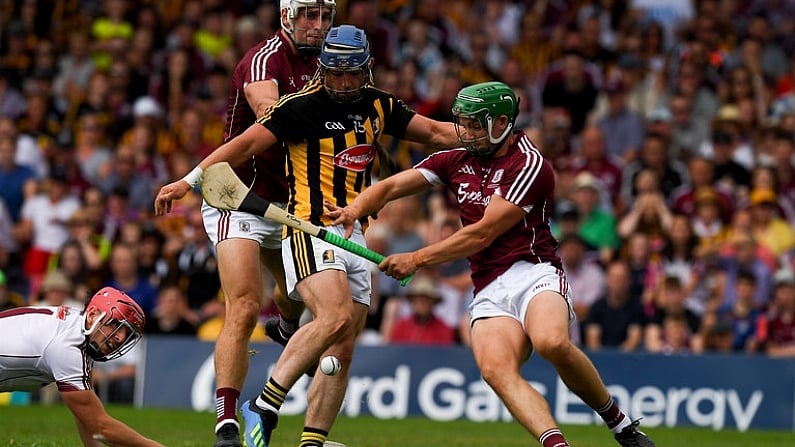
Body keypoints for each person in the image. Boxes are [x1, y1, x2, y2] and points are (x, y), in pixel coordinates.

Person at [154, 25, 459, 447]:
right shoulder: (300, 108)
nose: (344, 83)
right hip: (309, 229)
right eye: (336, 74)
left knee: (343, 348)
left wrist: (493, 143)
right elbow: (243, 146)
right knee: (330, 316)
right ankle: (262, 406)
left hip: (356, 234)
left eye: (352, 74)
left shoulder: (381, 106)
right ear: (323, 69)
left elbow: (440, 134)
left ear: (366, 69)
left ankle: (312, 441)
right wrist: (188, 180)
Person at [327, 81, 655, 447]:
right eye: (463, 123)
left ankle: (620, 424)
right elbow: (389, 187)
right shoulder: (456, 159)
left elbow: (482, 234)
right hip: (487, 285)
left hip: (533, 270)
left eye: (474, 124)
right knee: (495, 370)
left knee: (551, 342)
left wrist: (416, 259)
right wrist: (354, 210)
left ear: (502, 123)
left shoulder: (530, 165)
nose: (465, 133)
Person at [199, 2, 337, 446]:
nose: (316, 27)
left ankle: (284, 326)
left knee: (293, 297)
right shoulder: (264, 60)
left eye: (324, 17)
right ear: (286, 18)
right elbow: (270, 112)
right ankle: (227, 422)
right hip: (237, 197)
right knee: (242, 305)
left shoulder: (334, 63)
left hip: (292, 205)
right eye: (308, 17)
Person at [0, 286, 165, 447]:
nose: (121, 338)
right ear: (93, 315)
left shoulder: (78, 328)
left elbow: (86, 416)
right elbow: (101, 428)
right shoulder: (70, 348)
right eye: (115, 325)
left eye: (127, 333)